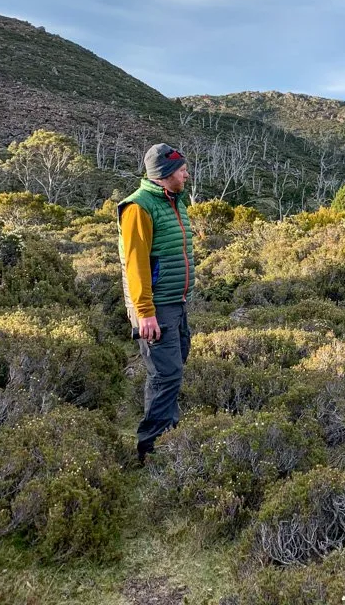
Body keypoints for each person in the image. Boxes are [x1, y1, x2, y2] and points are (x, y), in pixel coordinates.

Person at [118, 144, 196, 465]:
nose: (186, 174)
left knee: (172, 370)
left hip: (175, 304)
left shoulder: (172, 201)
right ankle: (152, 450)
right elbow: (135, 265)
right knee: (166, 374)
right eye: (181, 170)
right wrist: (145, 312)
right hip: (155, 308)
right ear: (164, 175)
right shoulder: (139, 207)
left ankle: (167, 435)